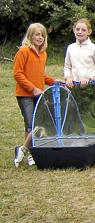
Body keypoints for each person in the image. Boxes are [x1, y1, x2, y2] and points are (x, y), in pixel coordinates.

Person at [13, 23, 61, 167]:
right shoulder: (23, 52)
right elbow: (18, 74)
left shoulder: (43, 54)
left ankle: (24, 150)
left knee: (38, 124)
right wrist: (32, 88)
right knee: (30, 124)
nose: (39, 37)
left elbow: (40, 76)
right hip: (25, 95)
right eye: (36, 35)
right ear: (30, 36)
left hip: (38, 94)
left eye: (42, 35)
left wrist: (53, 81)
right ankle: (29, 154)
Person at [64, 18, 95, 88]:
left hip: (90, 86)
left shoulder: (94, 48)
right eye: (77, 29)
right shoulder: (70, 48)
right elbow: (67, 66)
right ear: (74, 30)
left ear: (89, 32)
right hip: (74, 85)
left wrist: (88, 78)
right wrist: (68, 77)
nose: (80, 32)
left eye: (83, 30)